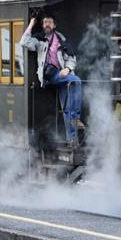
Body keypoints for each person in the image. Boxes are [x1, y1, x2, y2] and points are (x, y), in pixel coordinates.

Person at [20, 13, 83, 143]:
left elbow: (71, 58)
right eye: (45, 22)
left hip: (61, 74)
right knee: (76, 80)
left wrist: (67, 69)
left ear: (54, 25)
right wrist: (31, 24)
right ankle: (76, 118)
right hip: (49, 75)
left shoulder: (61, 40)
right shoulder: (39, 39)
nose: (47, 24)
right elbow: (24, 42)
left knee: (67, 108)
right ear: (42, 25)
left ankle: (71, 138)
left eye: (49, 22)